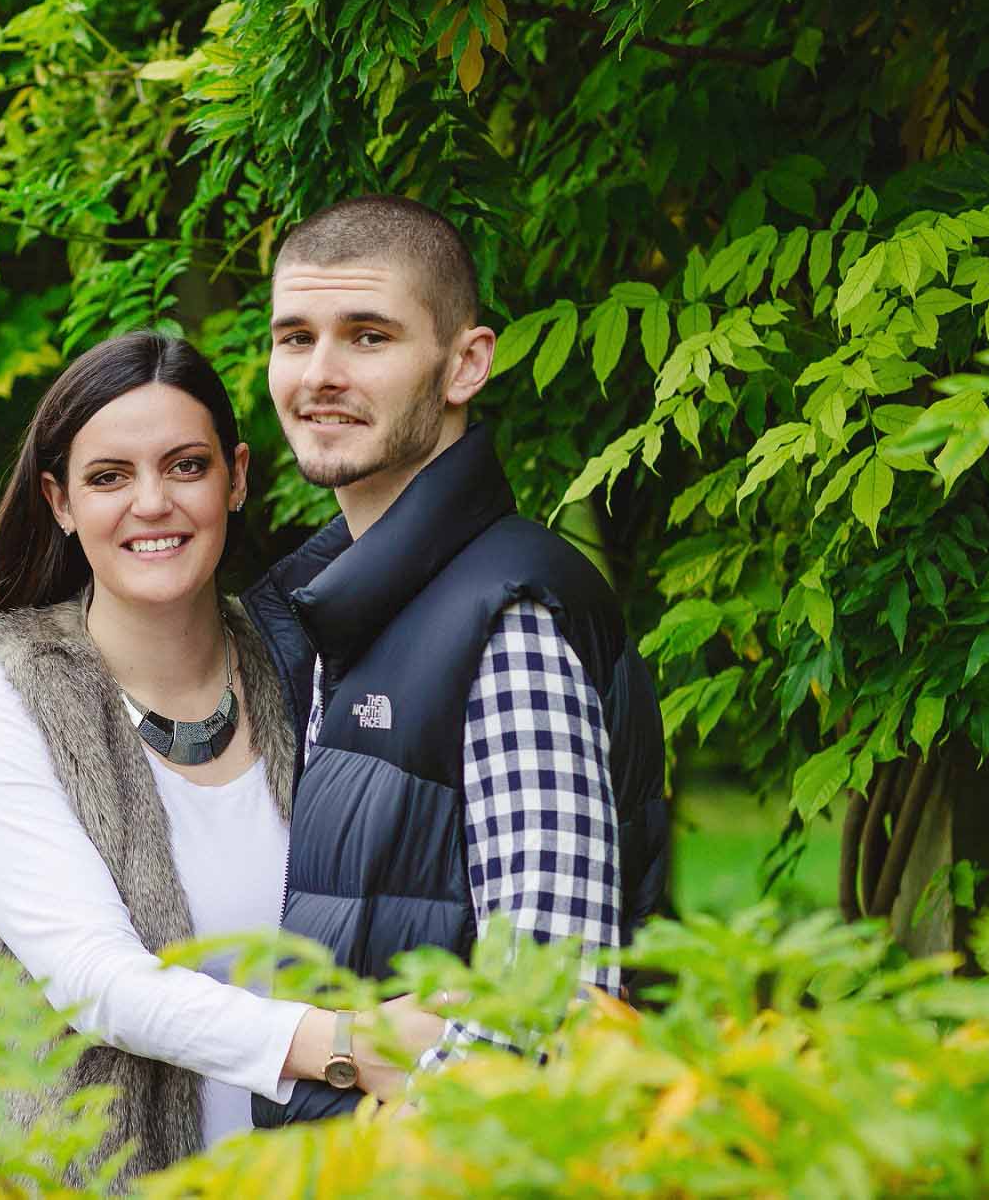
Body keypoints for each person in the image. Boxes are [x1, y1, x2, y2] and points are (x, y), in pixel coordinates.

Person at [0, 331, 442, 1193]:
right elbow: (98, 982)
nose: (151, 502)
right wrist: (351, 1045)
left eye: (185, 466)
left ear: (236, 477)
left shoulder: (301, 673)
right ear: (60, 501)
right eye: (108, 477)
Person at [240, 195, 672, 1128]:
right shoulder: (337, 607)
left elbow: (549, 1012)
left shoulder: (506, 617)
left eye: (366, 336)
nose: (319, 374)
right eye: (294, 336)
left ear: (465, 363)